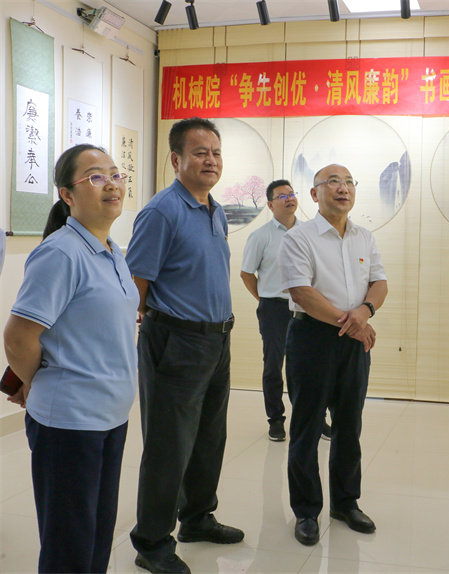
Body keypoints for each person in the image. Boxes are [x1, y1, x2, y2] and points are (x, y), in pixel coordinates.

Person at [4, 144, 138, 573]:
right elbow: (18, 337)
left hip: (110, 416)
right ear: (67, 195)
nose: (112, 184)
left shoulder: (112, 250)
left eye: (115, 174)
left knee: (96, 537)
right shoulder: (60, 253)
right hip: (70, 422)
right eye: (96, 177)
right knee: (69, 548)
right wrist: (35, 382)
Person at [127, 117, 243, 574]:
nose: (210, 160)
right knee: (168, 446)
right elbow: (135, 287)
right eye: (200, 152)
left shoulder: (215, 209)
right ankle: (152, 542)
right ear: (176, 159)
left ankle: (197, 517)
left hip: (216, 340)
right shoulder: (162, 211)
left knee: (209, 438)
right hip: (175, 341)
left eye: (216, 152)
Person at [278, 164, 388, 546]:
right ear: (314, 194)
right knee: (307, 427)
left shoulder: (363, 237)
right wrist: (353, 322)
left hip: (354, 341)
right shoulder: (299, 238)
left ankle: (345, 503)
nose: (343, 188)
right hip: (312, 338)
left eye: (349, 182)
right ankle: (307, 511)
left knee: (349, 425)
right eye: (333, 182)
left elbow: (379, 282)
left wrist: (365, 312)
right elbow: (301, 292)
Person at [240, 180, 332, 442]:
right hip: (274, 308)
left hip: (307, 308)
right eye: (282, 196)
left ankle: (316, 420)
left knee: (312, 366)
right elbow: (247, 273)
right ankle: (276, 420)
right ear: (270, 205)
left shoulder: (310, 232)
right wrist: (264, 299)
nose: (290, 199)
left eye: (292, 194)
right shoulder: (260, 236)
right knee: (273, 366)